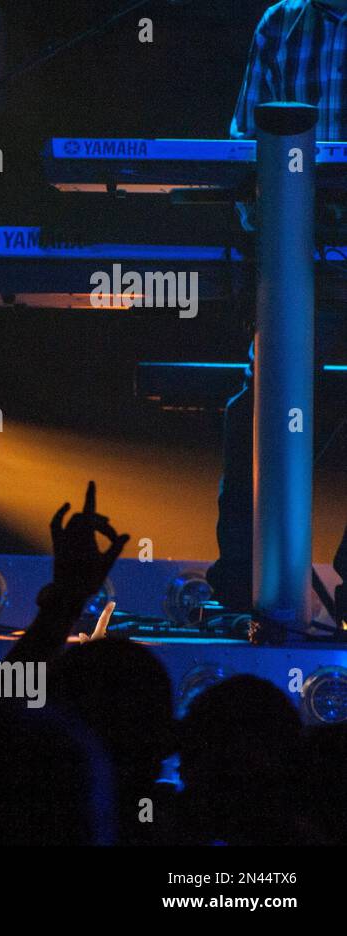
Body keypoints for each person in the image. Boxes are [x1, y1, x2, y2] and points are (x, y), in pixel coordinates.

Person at [211, 0, 347, 617]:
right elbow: (243, 148)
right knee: (258, 404)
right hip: (298, 261)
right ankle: (241, 584)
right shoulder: (280, 23)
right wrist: (272, 222)